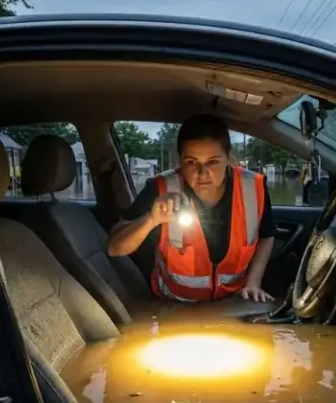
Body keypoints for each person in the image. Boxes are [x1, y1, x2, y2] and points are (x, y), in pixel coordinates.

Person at [107, 114, 276, 302]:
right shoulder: (161, 188)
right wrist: (151, 220)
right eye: (191, 162)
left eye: (213, 162)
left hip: (232, 300)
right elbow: (115, 248)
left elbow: (266, 236)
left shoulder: (253, 187)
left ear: (228, 158)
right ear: (180, 160)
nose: (202, 173)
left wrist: (253, 283)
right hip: (174, 303)